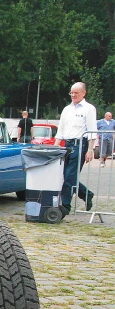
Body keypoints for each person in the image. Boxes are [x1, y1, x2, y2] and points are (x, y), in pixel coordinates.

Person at [56, 82, 97, 213]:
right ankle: (86, 194)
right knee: (67, 176)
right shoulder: (66, 109)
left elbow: (92, 130)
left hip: (80, 145)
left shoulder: (89, 109)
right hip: (67, 145)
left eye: (76, 93)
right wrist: (55, 147)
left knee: (69, 177)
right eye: (71, 93)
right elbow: (61, 129)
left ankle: (65, 206)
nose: (73, 95)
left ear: (83, 93)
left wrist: (90, 150)